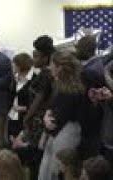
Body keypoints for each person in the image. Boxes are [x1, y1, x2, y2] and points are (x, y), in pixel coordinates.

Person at [38, 51, 87, 180]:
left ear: (59, 67)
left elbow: (55, 122)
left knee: (57, 170)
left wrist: (46, 124)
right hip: (59, 133)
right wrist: (47, 116)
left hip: (65, 134)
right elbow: (51, 108)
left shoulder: (70, 90)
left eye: (52, 64)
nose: (49, 67)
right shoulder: (63, 86)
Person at [12, 35, 55, 180]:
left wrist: (27, 118)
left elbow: (38, 100)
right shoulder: (43, 73)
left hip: (38, 123)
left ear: (45, 57)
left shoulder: (46, 75)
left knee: (35, 159)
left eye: (36, 56)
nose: (33, 59)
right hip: (36, 121)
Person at [8, 53, 35, 137]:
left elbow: (37, 102)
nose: (13, 66)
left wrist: (25, 108)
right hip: (12, 116)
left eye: (14, 64)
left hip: (26, 118)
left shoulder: (34, 80)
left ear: (20, 66)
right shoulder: (13, 79)